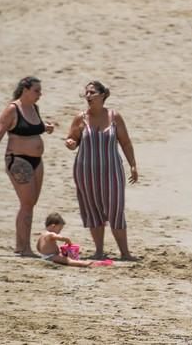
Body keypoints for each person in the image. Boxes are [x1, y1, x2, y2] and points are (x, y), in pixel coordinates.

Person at [64, 81, 138, 261]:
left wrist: (133, 165)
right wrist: (70, 143)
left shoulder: (114, 117)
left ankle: (125, 253)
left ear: (103, 95)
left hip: (112, 171)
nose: (88, 96)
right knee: (92, 209)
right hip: (85, 172)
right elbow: (71, 139)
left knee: (115, 209)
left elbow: (125, 142)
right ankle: (99, 251)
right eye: (86, 93)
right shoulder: (80, 118)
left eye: (92, 93)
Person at [0, 76, 55, 257]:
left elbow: (33, 127)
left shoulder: (34, 108)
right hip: (18, 160)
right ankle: (25, 248)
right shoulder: (12, 109)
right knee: (27, 204)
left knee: (31, 203)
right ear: (25, 89)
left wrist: (45, 127)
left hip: (37, 161)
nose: (40, 94)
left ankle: (20, 247)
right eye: (36, 90)